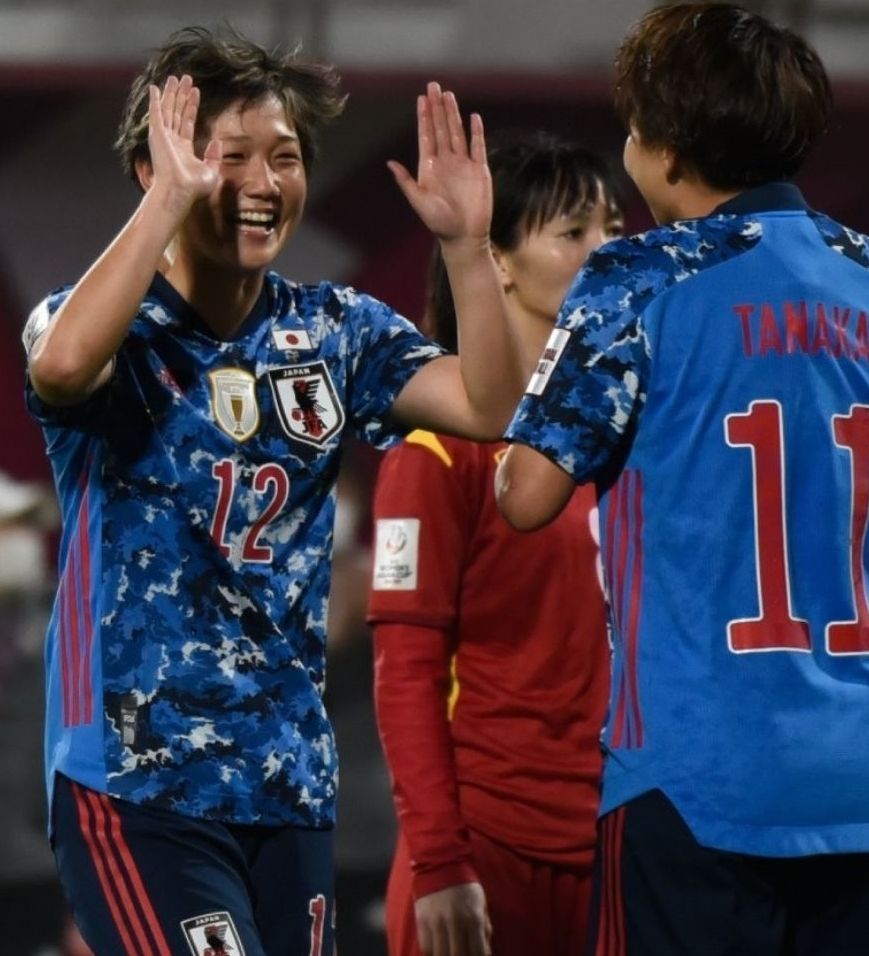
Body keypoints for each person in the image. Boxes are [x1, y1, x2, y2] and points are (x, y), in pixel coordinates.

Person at [25, 26, 521, 956]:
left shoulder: (335, 331)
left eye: (285, 159)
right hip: (138, 784)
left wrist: (466, 246)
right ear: (156, 167)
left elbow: (489, 404)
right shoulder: (105, 325)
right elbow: (60, 369)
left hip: (287, 782)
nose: (265, 184)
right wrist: (170, 200)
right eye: (231, 158)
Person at [494, 6, 869, 952]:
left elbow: (524, 495)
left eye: (636, 126)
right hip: (863, 767)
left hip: (698, 767)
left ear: (670, 150)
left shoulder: (637, 276)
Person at [369, 134, 624, 956]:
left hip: (614, 847)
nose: (606, 251)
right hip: (480, 854)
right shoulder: (435, 453)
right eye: (574, 232)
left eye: (613, 227)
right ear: (500, 263)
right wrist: (440, 862)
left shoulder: (627, 434)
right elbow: (405, 672)